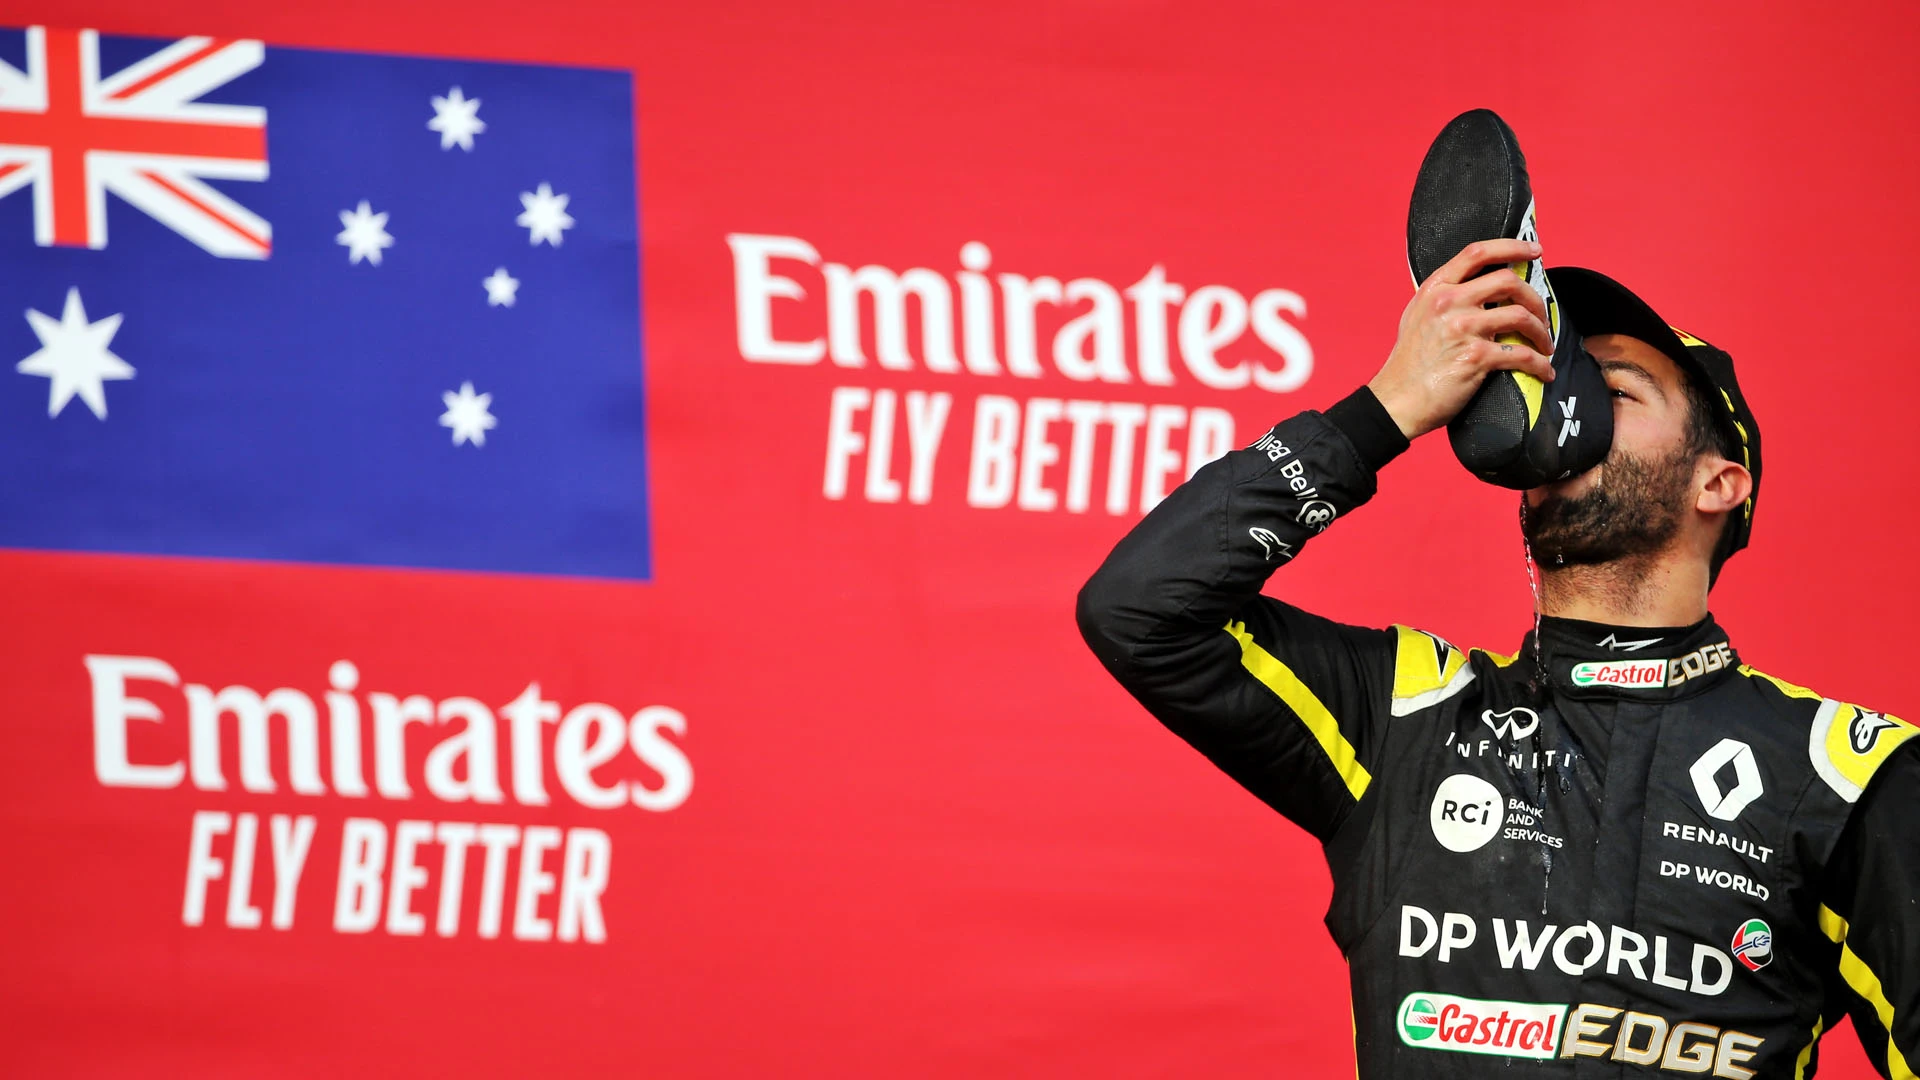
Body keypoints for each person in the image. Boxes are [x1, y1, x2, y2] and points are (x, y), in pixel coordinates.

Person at [1077, 238, 1919, 1078]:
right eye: (1561, 389)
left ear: (1717, 484)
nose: (1568, 414)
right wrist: (1387, 407)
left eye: (1614, 391)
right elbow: (1141, 610)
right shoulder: (1410, 716)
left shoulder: (1847, 777)